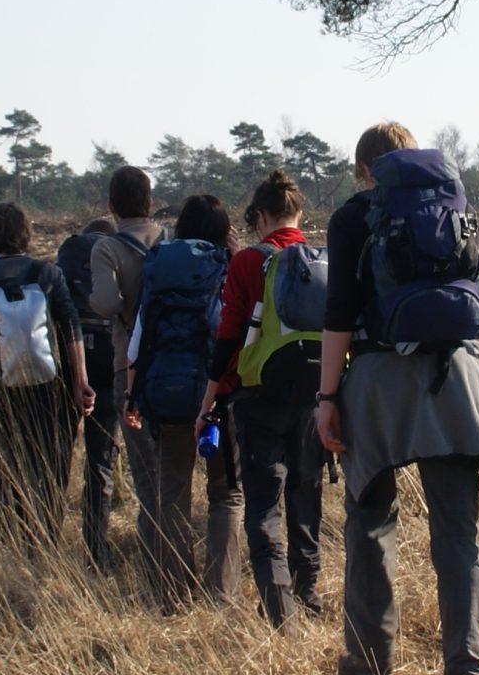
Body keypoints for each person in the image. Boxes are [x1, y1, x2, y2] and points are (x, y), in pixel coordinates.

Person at [314, 124, 479, 675]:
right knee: (456, 533)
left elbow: (339, 311)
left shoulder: (352, 218)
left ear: (364, 170)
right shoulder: (453, 203)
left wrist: (326, 398)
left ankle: (369, 665)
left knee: (370, 523)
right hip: (455, 380)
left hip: (377, 380)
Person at [200, 172, 326, 627]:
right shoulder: (321, 261)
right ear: (299, 213)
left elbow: (229, 334)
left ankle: (279, 608)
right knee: (306, 497)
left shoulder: (248, 262)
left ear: (260, 216)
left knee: (263, 504)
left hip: (258, 398)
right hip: (315, 398)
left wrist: (210, 398)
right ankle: (307, 594)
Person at [0, 201, 96, 542]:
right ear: (26, 233)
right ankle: (47, 538)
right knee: (49, 468)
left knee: (4, 468)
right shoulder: (48, 274)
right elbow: (71, 329)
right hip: (47, 391)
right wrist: (81, 382)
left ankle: (12, 535)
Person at [126, 193, 239, 603]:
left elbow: (139, 341)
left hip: (167, 394)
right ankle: (220, 595)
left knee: (171, 492)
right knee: (225, 493)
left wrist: (132, 394)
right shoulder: (227, 268)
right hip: (220, 398)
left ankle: (173, 593)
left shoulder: (159, 267)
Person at [58, 171, 146, 571]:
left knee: (57, 455)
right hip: (111, 359)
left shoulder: (69, 252)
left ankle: (46, 540)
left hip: (69, 360)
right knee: (101, 458)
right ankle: (98, 551)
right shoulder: (125, 250)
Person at [89, 166, 168, 561]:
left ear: (111, 206)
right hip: (173, 367)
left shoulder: (106, 248)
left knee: (145, 474)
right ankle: (180, 557)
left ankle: (156, 566)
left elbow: (104, 303)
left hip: (128, 366)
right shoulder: (169, 240)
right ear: (149, 201)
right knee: (172, 471)